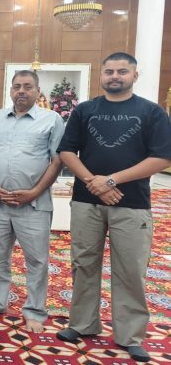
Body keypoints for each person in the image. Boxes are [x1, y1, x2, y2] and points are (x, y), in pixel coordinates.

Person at [55, 52, 171, 363]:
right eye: (109, 71)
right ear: (101, 75)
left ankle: (130, 336)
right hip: (86, 201)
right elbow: (67, 151)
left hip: (131, 204)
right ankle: (82, 324)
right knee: (83, 264)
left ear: (135, 75)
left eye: (122, 71)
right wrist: (93, 182)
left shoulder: (152, 112)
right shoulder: (85, 110)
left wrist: (111, 181)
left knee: (131, 269)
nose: (115, 76)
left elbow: (161, 158)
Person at [0, 70, 64, 333]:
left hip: (33, 204)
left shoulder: (51, 119)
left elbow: (57, 160)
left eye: (27, 86)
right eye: (16, 87)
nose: (21, 91)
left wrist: (34, 192)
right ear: (11, 90)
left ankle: (34, 311)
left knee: (36, 260)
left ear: (37, 91)